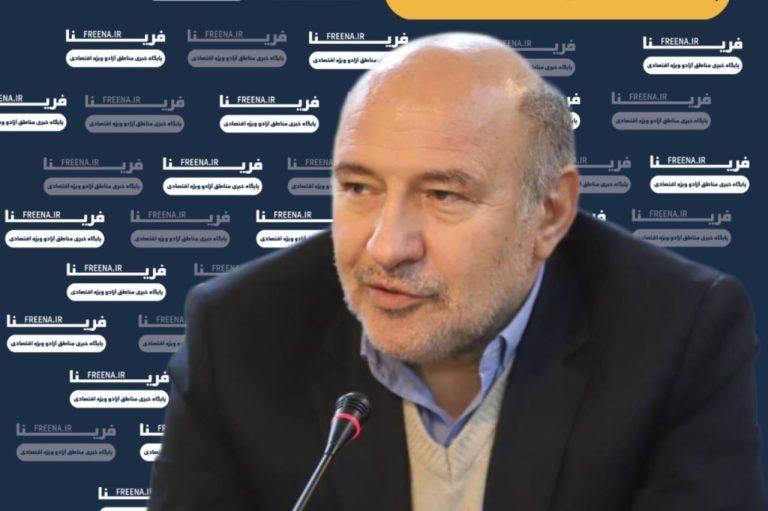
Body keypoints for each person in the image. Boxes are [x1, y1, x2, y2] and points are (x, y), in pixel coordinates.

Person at [148, 32, 766, 510]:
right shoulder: (237, 331)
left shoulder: (678, 331)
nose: (386, 248)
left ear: (550, 214)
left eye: (444, 195)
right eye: (359, 187)